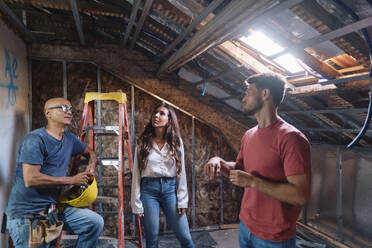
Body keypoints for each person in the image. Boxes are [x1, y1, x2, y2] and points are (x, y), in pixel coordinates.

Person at [204, 73, 311, 248]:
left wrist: (253, 182)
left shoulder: (291, 138)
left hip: (274, 237)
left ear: (265, 94)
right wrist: (219, 162)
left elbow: (300, 196)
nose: (243, 98)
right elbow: (240, 169)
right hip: (246, 226)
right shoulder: (249, 135)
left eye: (248, 92)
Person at [5, 97, 104, 248]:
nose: (69, 112)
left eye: (70, 109)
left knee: (94, 222)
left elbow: (89, 151)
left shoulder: (69, 139)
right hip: (26, 215)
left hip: (51, 210)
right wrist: (71, 180)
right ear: (48, 113)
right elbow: (30, 179)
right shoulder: (35, 140)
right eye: (64, 108)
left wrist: (91, 164)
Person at [131, 103, 195, 248]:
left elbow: (181, 172)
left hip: (170, 190)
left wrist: (182, 200)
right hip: (148, 191)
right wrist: (136, 204)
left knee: (185, 236)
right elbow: (136, 173)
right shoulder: (143, 142)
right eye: (155, 113)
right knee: (152, 237)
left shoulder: (176, 142)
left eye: (161, 114)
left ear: (169, 120)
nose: (156, 116)